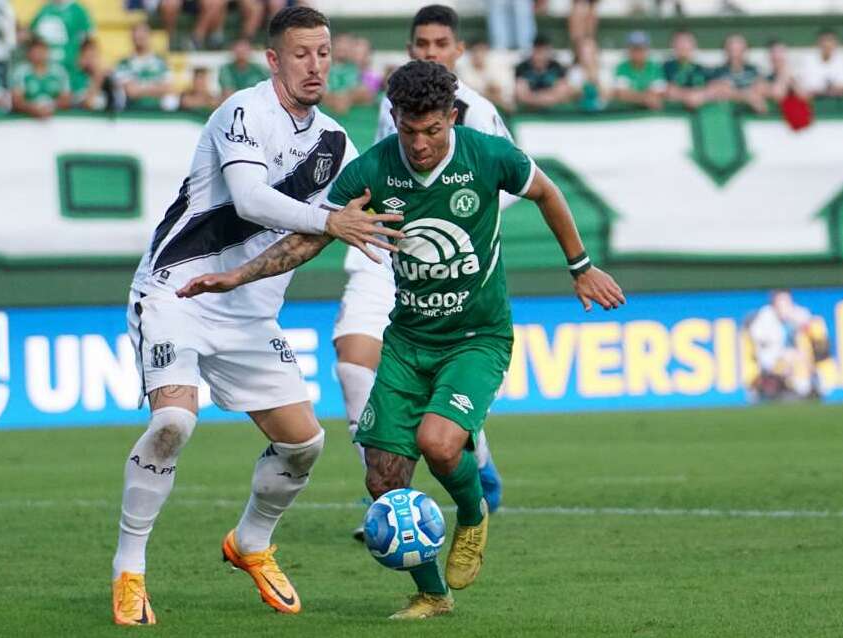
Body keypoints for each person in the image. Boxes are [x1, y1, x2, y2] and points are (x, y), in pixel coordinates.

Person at [177, 59, 625, 620]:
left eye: (432, 131)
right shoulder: (373, 170)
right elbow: (312, 237)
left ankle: (473, 512)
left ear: (452, 117)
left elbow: (548, 193)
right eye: (409, 131)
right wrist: (238, 275)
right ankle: (433, 594)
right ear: (395, 118)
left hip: (477, 337)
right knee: (383, 476)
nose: (419, 144)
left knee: (440, 444)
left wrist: (580, 266)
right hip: (409, 342)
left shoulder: (487, 156)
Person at [110, 6, 403, 625]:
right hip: (177, 292)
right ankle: (129, 570)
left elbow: (307, 242)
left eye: (323, 53)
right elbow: (249, 199)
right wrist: (331, 218)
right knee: (173, 422)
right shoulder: (243, 112)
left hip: (248, 312)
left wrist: (287, 252)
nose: (315, 65)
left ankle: (250, 543)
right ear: (273, 59)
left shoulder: (337, 146)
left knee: (304, 445)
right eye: (301, 54)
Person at [360, 4, 514, 538]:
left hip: (451, 266)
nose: (430, 51)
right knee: (351, 361)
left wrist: (449, 214)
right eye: (421, 43)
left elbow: (518, 184)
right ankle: (393, 495)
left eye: (439, 43)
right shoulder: (392, 105)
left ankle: (472, 465)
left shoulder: (479, 114)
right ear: (409, 48)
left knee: (441, 433)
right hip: (384, 254)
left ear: (458, 51)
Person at [116, 23, 175, 111]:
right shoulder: (123, 64)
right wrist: (156, 88)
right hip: (132, 112)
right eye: (137, 35)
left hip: (158, 112)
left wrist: (140, 88)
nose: (139, 38)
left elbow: (168, 88)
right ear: (132, 38)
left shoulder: (161, 63)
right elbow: (131, 92)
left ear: (149, 36)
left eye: (142, 35)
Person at [10, 37, 72, 119]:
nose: (39, 54)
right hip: (27, 123)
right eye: (35, 50)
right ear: (29, 53)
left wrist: (51, 107)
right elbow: (17, 101)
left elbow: (66, 99)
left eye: (42, 50)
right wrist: (32, 108)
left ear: (47, 52)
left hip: (55, 121)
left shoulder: (59, 72)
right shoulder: (21, 72)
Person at [707, 33, 768, 114]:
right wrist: (746, 96)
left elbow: (762, 90)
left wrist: (732, 92)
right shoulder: (717, 72)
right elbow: (716, 90)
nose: (735, 52)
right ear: (725, 50)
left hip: (753, 117)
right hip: (726, 116)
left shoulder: (755, 71)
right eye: (731, 48)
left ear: (746, 50)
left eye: (738, 48)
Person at [29, 0, 94, 70]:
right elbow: (32, 34)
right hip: (47, 68)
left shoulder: (77, 10)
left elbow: (87, 40)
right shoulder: (44, 9)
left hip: (70, 65)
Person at [515, 33, 572, 110]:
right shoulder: (522, 68)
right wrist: (548, 97)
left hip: (554, 112)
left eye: (543, 51)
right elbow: (521, 95)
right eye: (538, 51)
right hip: (529, 112)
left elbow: (563, 93)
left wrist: (534, 98)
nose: (540, 55)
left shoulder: (557, 67)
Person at [613, 30, 665, 110]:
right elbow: (621, 93)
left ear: (647, 49)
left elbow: (659, 93)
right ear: (629, 49)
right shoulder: (622, 67)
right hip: (627, 114)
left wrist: (634, 96)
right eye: (634, 48)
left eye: (641, 48)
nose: (637, 52)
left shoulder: (655, 68)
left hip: (652, 117)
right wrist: (645, 98)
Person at [798, 29, 843, 98]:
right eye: (824, 41)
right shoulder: (808, 59)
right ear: (818, 43)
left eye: (830, 40)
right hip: (813, 100)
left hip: (840, 100)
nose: (827, 44)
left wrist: (836, 88)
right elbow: (804, 85)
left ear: (836, 43)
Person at [662, 30, 708, 109]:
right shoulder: (665, 67)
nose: (683, 46)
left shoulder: (701, 69)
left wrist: (702, 94)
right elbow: (665, 90)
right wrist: (689, 96)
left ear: (694, 45)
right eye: (679, 42)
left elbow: (714, 89)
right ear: (673, 45)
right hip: (672, 114)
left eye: (687, 42)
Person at [566, 36, 611, 111]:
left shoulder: (605, 71)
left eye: (590, 52)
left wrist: (595, 80)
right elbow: (572, 95)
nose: (587, 56)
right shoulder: (574, 71)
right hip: (580, 112)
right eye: (583, 53)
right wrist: (586, 80)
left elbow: (607, 95)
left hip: (603, 113)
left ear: (596, 53)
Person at [69, 37, 109, 110]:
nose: (91, 61)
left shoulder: (108, 79)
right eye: (88, 56)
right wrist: (97, 79)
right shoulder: (74, 78)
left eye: (94, 56)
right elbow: (88, 104)